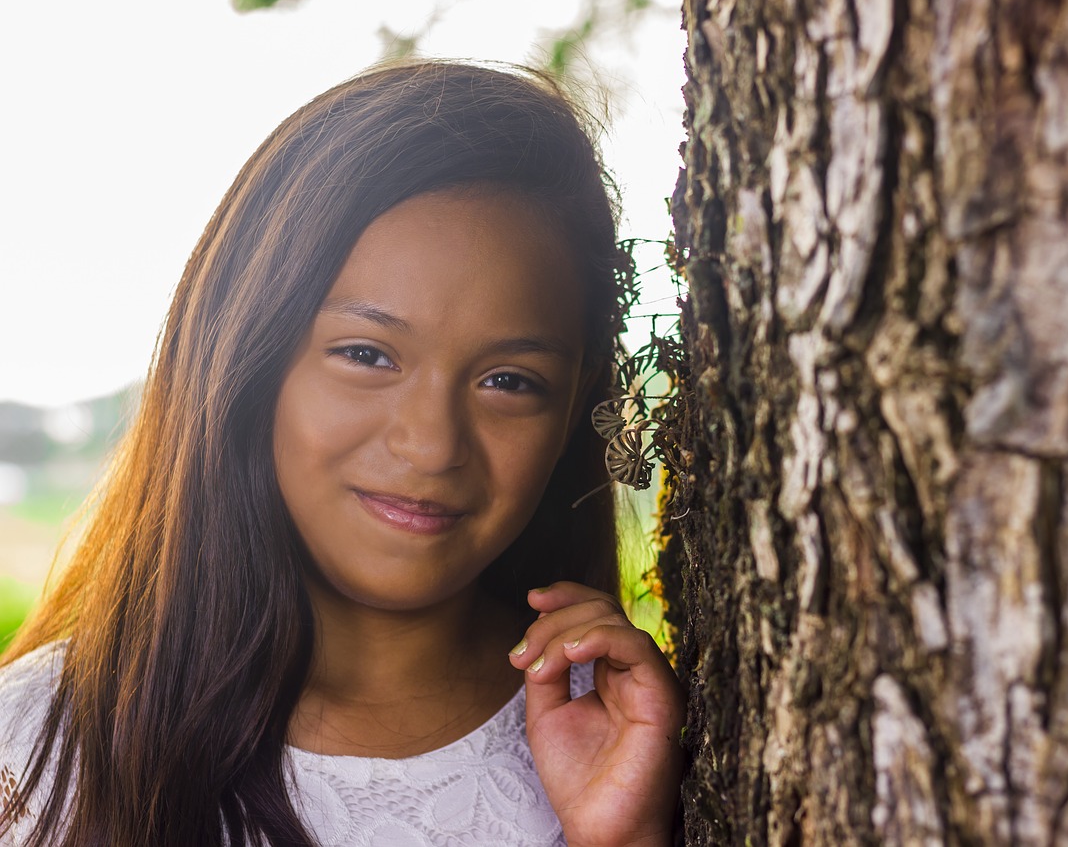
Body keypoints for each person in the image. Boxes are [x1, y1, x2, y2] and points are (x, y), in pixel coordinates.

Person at [0, 60, 684, 846]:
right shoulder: (35, 754)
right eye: (367, 355)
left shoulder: (629, 743)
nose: (431, 444)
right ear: (250, 360)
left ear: (573, 411)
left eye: (509, 380)